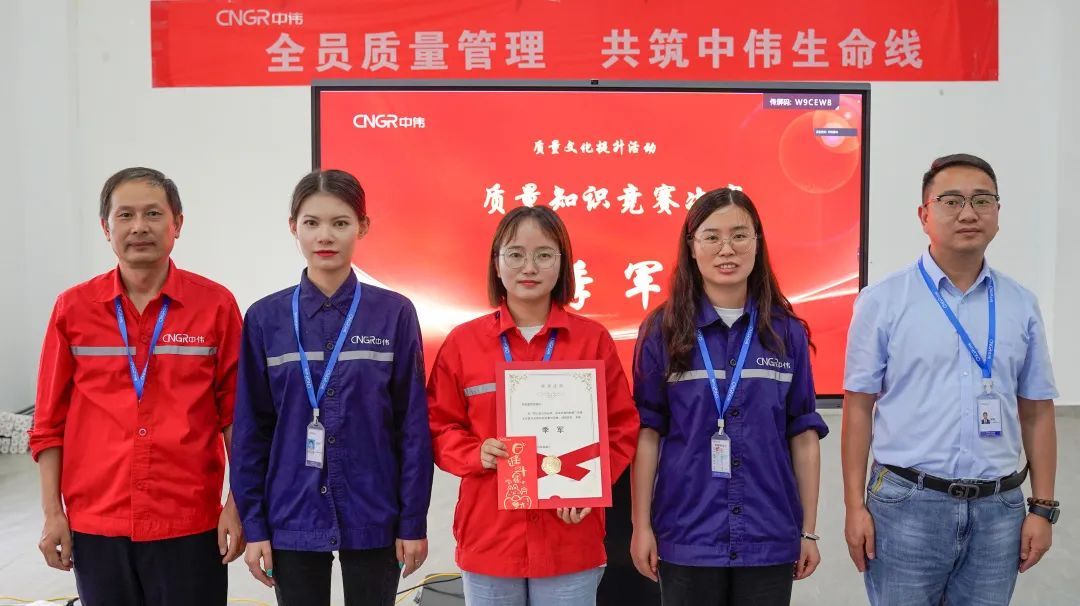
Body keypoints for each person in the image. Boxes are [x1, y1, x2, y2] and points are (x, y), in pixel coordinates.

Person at [842, 154, 1060, 605]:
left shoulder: (1021, 304)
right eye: (952, 201)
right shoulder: (882, 301)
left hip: (999, 510)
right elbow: (858, 407)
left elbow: (1037, 411)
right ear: (924, 214)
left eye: (982, 200)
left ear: (997, 212)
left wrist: (1042, 507)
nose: (968, 213)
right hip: (906, 505)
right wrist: (853, 507)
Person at [30, 167, 244, 605]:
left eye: (153, 213)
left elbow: (236, 419)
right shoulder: (73, 309)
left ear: (177, 223)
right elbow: (49, 423)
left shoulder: (215, 306)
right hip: (97, 523)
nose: (139, 227)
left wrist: (237, 505)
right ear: (105, 227)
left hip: (188, 520)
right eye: (125, 215)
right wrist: (53, 514)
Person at [231, 169, 432, 606]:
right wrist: (256, 526)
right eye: (312, 222)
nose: (325, 236)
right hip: (291, 511)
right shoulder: (265, 319)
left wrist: (412, 521)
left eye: (340, 223)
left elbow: (413, 428)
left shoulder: (394, 313)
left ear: (363, 226)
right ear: (293, 227)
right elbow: (251, 431)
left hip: (375, 510)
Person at [427, 205, 639, 606]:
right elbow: (439, 425)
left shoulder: (591, 340)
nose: (529, 267)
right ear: (496, 263)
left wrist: (590, 486)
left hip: (568, 537)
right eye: (515, 254)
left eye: (544, 255)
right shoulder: (463, 343)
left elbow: (622, 427)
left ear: (563, 264)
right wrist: (475, 452)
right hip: (490, 537)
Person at [629, 187, 827, 605]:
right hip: (687, 532)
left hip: (768, 532)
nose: (727, 249)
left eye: (739, 235)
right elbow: (648, 433)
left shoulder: (785, 331)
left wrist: (808, 530)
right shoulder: (663, 330)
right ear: (691, 246)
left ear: (757, 243)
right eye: (712, 236)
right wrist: (641, 526)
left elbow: (803, 434)